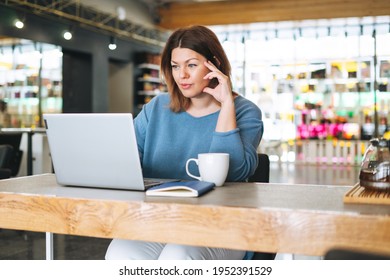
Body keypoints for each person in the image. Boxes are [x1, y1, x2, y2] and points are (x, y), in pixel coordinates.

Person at [105, 25, 263, 260]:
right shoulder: (157, 108)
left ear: (214, 65)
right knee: (119, 253)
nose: (182, 75)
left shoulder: (246, 112)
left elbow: (235, 173)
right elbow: (125, 158)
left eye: (191, 65)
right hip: (159, 220)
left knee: (178, 257)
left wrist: (226, 105)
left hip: (222, 226)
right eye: (175, 66)